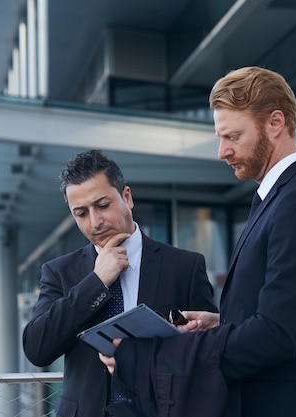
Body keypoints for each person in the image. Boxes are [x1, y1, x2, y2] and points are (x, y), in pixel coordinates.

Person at [100, 67, 296, 417]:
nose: (222, 151)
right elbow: (286, 316)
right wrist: (221, 322)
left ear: (275, 123)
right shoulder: (280, 200)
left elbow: (276, 336)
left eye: (233, 136)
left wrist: (147, 357)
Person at [22, 149, 218, 417]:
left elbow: (208, 351)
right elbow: (37, 349)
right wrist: (97, 281)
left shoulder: (184, 266)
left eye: (103, 206)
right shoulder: (60, 272)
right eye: (81, 213)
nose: (95, 222)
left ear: (127, 197)